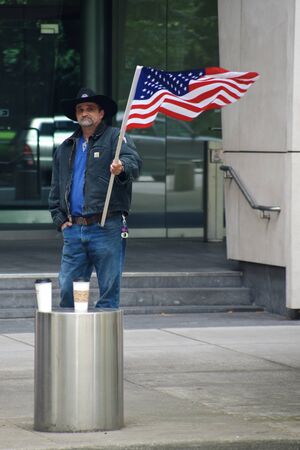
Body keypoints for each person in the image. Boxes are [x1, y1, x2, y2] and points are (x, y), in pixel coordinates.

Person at [48, 87, 142, 309]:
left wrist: (122, 168)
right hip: (74, 229)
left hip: (107, 226)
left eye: (90, 108)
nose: (84, 113)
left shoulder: (116, 138)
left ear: (101, 113)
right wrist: (60, 220)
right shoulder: (65, 147)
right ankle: (72, 339)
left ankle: (104, 343)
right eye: (80, 109)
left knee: (109, 290)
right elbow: (56, 187)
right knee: (67, 289)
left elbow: (134, 164)